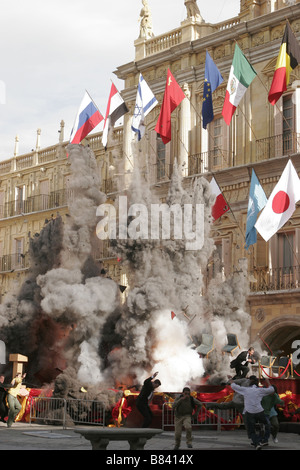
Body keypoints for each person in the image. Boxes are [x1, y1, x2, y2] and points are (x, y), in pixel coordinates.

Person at [230, 376, 274, 450]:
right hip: (259, 411)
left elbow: (234, 386)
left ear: (249, 384)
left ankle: (257, 444)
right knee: (266, 424)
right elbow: (271, 389)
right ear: (257, 384)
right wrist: (267, 381)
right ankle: (262, 434)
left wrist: (231, 379)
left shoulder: (246, 390)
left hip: (249, 412)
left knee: (251, 430)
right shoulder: (260, 390)